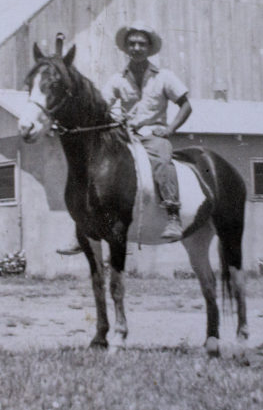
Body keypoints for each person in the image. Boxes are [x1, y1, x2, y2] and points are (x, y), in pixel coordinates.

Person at [56, 21, 191, 253]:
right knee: (94, 166)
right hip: (124, 133)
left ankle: (173, 216)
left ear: (149, 48)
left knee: (162, 161)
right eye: (132, 44)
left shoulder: (165, 77)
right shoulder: (118, 79)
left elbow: (186, 106)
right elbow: (102, 105)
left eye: (141, 43)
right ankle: (80, 228)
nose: (136, 48)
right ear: (126, 49)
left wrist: (169, 130)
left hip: (153, 134)